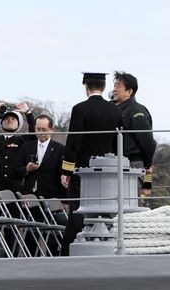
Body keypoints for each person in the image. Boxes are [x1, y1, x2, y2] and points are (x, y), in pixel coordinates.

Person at [60, 72, 122, 256]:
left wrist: (66, 170)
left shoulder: (80, 109)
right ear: (103, 88)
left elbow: (74, 142)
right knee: (106, 213)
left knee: (78, 212)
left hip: (83, 172)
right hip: (108, 172)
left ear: (86, 87)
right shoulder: (116, 111)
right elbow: (117, 143)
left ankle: (70, 251)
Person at [112, 71, 156, 197]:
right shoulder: (115, 109)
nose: (114, 89)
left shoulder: (136, 111)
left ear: (129, 91)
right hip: (115, 162)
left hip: (132, 164)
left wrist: (148, 165)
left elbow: (147, 142)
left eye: (118, 86)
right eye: (114, 85)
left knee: (130, 203)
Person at [14, 114, 66, 199]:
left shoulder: (60, 149)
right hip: (28, 196)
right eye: (38, 129)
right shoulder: (26, 147)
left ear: (52, 130)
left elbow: (63, 176)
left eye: (44, 130)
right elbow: (15, 171)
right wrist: (26, 169)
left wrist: (65, 201)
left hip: (51, 198)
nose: (41, 132)